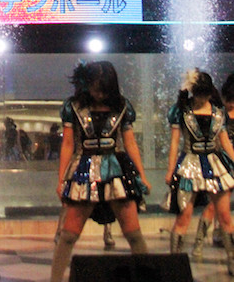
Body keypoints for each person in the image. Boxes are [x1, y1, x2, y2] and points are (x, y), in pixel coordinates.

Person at [51, 60, 150, 282]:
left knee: (134, 233)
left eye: (104, 89)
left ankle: (147, 277)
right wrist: (61, 180)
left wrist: (142, 176)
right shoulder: (74, 107)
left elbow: (130, 143)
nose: (99, 94)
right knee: (68, 235)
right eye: (95, 88)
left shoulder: (122, 106)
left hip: (116, 170)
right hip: (83, 171)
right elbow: (67, 144)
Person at [164, 68, 234, 273]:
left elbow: (225, 142)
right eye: (198, 94)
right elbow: (174, 143)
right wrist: (170, 170)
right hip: (189, 165)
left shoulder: (218, 112)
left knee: (225, 216)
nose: (202, 98)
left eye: (205, 94)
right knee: (183, 217)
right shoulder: (181, 111)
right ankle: (174, 266)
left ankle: (232, 259)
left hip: (214, 165)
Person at [192, 71, 234, 259]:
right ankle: (199, 243)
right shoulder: (219, 113)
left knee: (219, 206)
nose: (231, 104)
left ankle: (219, 237)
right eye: (228, 100)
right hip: (223, 162)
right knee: (215, 204)